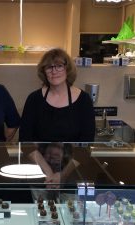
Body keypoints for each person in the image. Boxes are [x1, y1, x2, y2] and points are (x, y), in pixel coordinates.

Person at [19, 48, 95, 187]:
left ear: (68, 69)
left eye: (59, 66)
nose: (54, 71)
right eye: (49, 67)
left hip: (73, 173)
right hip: (39, 173)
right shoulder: (34, 99)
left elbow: (86, 145)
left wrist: (62, 175)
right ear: (44, 71)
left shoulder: (84, 100)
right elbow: (25, 142)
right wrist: (48, 173)